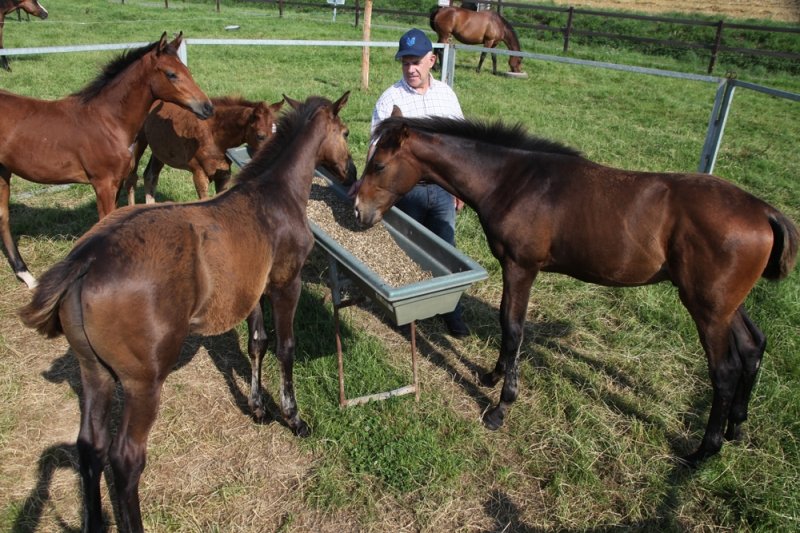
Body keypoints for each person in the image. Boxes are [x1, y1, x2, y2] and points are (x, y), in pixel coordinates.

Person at [370, 27, 470, 338]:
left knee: (445, 248)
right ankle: (408, 313)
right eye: (405, 63)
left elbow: (459, 144)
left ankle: (451, 311)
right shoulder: (390, 99)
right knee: (406, 250)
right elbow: (375, 148)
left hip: (441, 189)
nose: (411, 69)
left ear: (431, 60)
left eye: (416, 62)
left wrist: (459, 186)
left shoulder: (446, 96)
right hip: (406, 192)